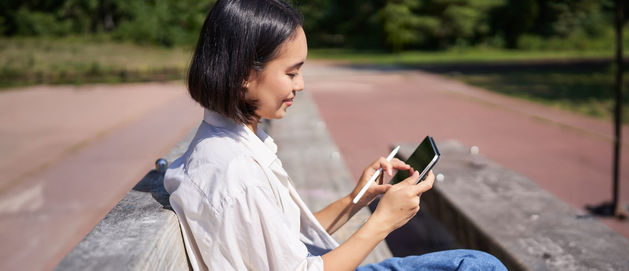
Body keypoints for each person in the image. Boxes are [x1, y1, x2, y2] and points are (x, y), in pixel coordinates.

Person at [164, 0, 508, 270]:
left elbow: (290, 238)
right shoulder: (236, 174)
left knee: (475, 264)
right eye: (292, 72)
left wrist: (357, 199)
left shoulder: (231, 142)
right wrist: (382, 222)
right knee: (479, 266)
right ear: (243, 74)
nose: (300, 84)